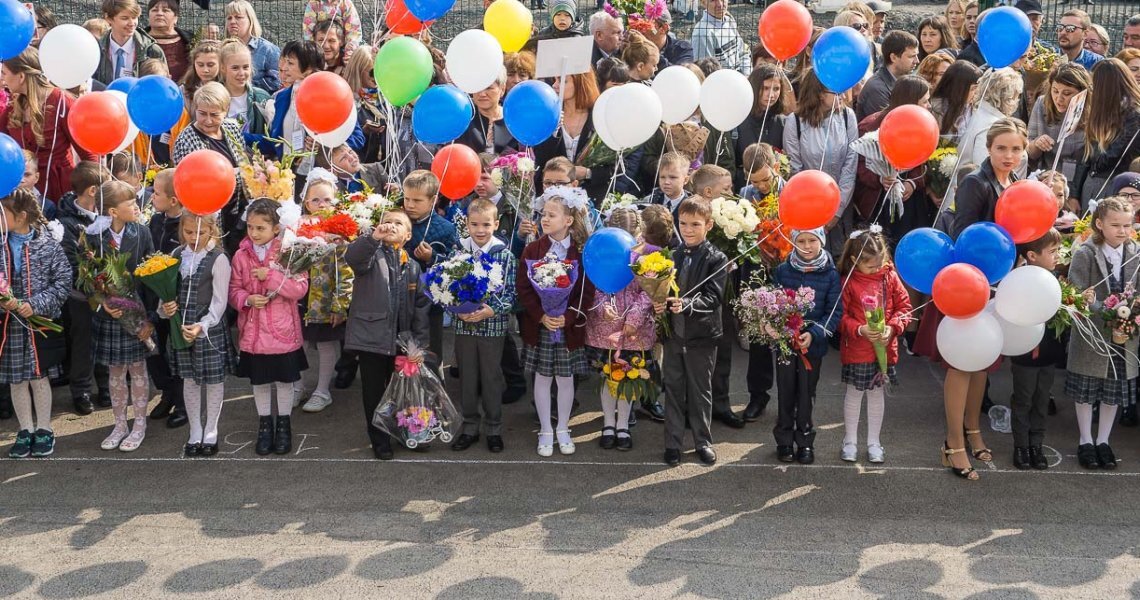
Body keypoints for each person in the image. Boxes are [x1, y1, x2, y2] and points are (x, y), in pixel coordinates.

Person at [919, 118, 1027, 481]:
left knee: (983, 361)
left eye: (1015, 149)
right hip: (970, 283)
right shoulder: (974, 183)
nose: (1009, 155)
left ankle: (973, 429)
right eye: (1002, 148)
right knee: (963, 362)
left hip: (1000, 283)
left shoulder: (1015, 185)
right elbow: (964, 233)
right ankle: (953, 443)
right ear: (989, 148)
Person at [344, 208, 429, 459]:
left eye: (398, 224)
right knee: (373, 392)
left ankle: (405, 429)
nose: (391, 226)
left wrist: (419, 344)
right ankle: (378, 438)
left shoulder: (412, 266)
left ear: (408, 235)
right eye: (387, 222)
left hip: (403, 340)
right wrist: (372, 237)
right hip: (371, 339)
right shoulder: (371, 256)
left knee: (403, 390)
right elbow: (354, 258)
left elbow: (421, 310)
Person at [517, 186, 595, 457]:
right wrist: (542, 316)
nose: (544, 220)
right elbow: (524, 288)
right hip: (541, 326)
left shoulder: (581, 252)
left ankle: (563, 426)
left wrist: (567, 317)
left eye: (552, 215)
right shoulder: (533, 250)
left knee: (565, 378)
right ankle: (545, 429)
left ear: (569, 220)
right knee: (541, 376)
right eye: (543, 215)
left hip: (567, 327)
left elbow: (586, 291)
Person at [228, 198, 309, 456]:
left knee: (284, 381)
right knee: (260, 381)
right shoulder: (241, 255)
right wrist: (246, 299)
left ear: (276, 228)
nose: (253, 233)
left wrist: (271, 276)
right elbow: (234, 289)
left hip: (281, 332)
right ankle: (265, 425)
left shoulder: (289, 251)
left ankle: (283, 425)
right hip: (253, 333)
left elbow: (299, 289)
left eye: (260, 228)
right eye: (250, 227)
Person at [1066, 197, 1137, 470]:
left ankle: (1103, 441)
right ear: (1100, 224)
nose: (1122, 231)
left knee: (1113, 390)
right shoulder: (1086, 253)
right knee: (1086, 388)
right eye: (1116, 225)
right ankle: (1085, 440)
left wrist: (1131, 312)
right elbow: (1077, 290)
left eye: (1127, 225)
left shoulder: (1135, 252)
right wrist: (1103, 311)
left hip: (1124, 333)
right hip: (1093, 332)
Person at [654, 198, 726, 466]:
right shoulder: (670, 256)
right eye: (683, 224)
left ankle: (702, 442)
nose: (688, 229)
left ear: (708, 225)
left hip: (701, 337)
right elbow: (662, 290)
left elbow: (713, 298)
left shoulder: (716, 258)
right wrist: (659, 302)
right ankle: (672, 443)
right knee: (673, 388)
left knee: (700, 391)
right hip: (674, 335)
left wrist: (685, 304)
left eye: (695, 224)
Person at [85, 180, 156, 453]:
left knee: (138, 370)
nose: (136, 207)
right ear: (113, 211)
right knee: (115, 373)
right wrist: (103, 304)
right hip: (109, 318)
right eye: (130, 203)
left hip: (137, 315)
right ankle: (119, 424)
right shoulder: (93, 237)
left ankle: (139, 423)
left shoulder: (142, 233)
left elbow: (151, 275)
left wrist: (149, 317)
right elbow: (86, 280)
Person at [159, 212, 236, 457]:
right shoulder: (175, 256)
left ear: (212, 231)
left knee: (213, 381)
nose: (193, 238)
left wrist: (202, 325)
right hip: (180, 326)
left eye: (200, 233)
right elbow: (165, 296)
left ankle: (211, 429)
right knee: (189, 379)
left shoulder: (218, 258)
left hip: (207, 330)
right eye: (188, 232)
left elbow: (220, 301)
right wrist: (165, 308)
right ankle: (195, 430)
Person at [1, 189, 71, 459]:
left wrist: (37, 305)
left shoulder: (48, 245)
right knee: (16, 380)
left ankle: (44, 428)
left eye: (2, 213)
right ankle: (25, 429)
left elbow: (63, 281)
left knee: (39, 378)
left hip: (37, 324)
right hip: (9, 325)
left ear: (20, 216)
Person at [448, 199, 517, 453]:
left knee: (491, 376)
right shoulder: (458, 252)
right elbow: (446, 287)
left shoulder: (504, 254)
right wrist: (456, 309)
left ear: (495, 224)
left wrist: (492, 309)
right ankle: (469, 426)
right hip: (464, 325)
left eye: (486, 224)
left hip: (492, 326)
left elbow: (511, 294)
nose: (480, 230)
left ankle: (494, 428)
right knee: (467, 376)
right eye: (474, 224)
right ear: (466, 223)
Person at [837, 227, 911, 464]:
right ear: (854, 261)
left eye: (880, 264)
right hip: (858, 348)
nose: (876, 269)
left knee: (877, 394)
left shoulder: (890, 276)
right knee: (854, 394)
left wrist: (893, 327)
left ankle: (874, 442)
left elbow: (904, 307)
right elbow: (840, 315)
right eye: (870, 266)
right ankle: (850, 441)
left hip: (884, 348)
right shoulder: (848, 281)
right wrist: (860, 329)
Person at [586, 208, 655, 451]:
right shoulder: (602, 251)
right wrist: (603, 306)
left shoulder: (647, 259)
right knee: (608, 376)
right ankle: (608, 423)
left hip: (634, 332)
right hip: (605, 329)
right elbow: (596, 284)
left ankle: (623, 424)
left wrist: (633, 319)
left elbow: (648, 292)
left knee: (629, 376)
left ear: (639, 236)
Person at [771, 227, 841, 465]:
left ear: (821, 240)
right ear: (793, 243)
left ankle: (805, 441)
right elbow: (773, 303)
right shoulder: (782, 270)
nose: (807, 245)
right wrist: (780, 328)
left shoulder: (831, 274)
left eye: (812, 240)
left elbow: (834, 311)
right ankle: (784, 440)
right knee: (785, 389)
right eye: (801, 240)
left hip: (813, 346)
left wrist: (814, 334)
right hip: (786, 343)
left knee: (806, 393)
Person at [1, 48, 98, 203]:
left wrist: (92, 198)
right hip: (22, 190)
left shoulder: (61, 102)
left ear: (20, 76)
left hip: (59, 189)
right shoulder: (13, 107)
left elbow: (88, 154)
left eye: (4, 73)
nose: (2, 79)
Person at [784, 69, 859, 257]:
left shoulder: (847, 116)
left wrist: (837, 210)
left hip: (842, 204)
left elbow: (850, 164)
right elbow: (795, 169)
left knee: (842, 256)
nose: (842, 95)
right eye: (835, 92)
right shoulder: (795, 122)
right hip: (809, 206)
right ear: (818, 93)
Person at [296, 170, 353, 414]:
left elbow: (346, 271)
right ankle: (297, 386)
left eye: (327, 199)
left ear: (336, 200)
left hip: (326, 300)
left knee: (327, 344)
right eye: (315, 200)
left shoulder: (339, 231)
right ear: (306, 202)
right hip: (299, 299)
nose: (321, 204)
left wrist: (341, 304)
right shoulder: (297, 227)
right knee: (299, 343)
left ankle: (322, 390)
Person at [172, 82, 250, 256]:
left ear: (226, 111)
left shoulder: (231, 129)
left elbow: (244, 164)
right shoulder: (187, 138)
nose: (208, 120)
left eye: (214, 115)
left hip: (237, 210)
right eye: (202, 114)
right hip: (209, 218)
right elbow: (192, 184)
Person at [1009, 228, 1062, 470]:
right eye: (1052, 252)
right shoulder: (1019, 279)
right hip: (1025, 354)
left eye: (1058, 250)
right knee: (1023, 400)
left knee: (1042, 400)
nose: (1057, 256)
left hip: (1048, 352)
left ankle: (1036, 445)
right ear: (1032, 255)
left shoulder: (1058, 278)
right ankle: (1020, 446)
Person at [402, 170, 459, 363]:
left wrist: (432, 257)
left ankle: (433, 387)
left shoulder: (445, 228)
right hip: (400, 298)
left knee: (430, 349)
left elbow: (455, 264)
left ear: (433, 200)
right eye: (407, 198)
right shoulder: (398, 220)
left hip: (430, 301)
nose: (409, 205)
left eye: (417, 201)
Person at [1073, 59, 1140, 209]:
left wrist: (1094, 165)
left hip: (1115, 185)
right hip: (1092, 183)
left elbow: (1115, 155)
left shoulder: (1134, 115)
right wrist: (1074, 193)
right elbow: (1085, 154)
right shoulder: (1101, 112)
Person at [1027, 63, 1089, 195]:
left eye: (1067, 93)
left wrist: (1074, 195)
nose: (1059, 98)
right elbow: (1029, 152)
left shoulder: (1092, 113)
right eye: (1055, 91)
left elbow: (1090, 161)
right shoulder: (1042, 104)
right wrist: (1037, 143)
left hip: (1078, 185)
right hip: (1047, 182)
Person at [957, 68, 1026, 179]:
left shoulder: (979, 113)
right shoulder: (991, 125)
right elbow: (984, 169)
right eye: (1017, 95)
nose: (1017, 100)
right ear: (1010, 96)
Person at [94, 0, 167, 84]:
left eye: (134, 17)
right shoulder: (97, 50)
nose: (132, 23)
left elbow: (162, 85)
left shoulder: (151, 51)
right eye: (125, 18)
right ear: (109, 19)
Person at [857, 30, 919, 121]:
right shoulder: (877, 89)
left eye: (917, 55)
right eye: (911, 56)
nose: (917, 61)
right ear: (893, 57)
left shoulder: (903, 81)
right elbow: (888, 124)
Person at [455, 69, 518, 156]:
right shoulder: (463, 117)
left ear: (502, 89)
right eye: (477, 87)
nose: (482, 94)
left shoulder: (514, 121)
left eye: (489, 88)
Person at [219, 39, 271, 142]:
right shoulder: (214, 97)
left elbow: (272, 138)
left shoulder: (261, 97)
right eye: (235, 68)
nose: (241, 73)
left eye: (245, 67)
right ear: (223, 68)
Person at [736, 64, 789, 162]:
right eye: (766, 88)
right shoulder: (738, 119)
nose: (771, 95)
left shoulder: (782, 122)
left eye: (776, 89)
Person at [225, 1, 281, 92]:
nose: (232, 21)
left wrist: (243, 87)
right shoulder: (223, 50)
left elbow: (276, 82)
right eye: (229, 18)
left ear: (250, 20)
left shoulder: (268, 50)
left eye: (238, 17)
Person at [691, 0, 748, 74]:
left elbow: (743, 53)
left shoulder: (729, 21)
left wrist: (747, 75)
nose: (720, 4)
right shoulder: (702, 33)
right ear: (703, 3)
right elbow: (705, 72)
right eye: (713, 0)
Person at [931, 60, 981, 138]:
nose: (977, 93)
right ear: (958, 89)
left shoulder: (976, 109)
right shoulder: (935, 110)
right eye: (973, 89)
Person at [145, 0, 192, 82]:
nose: (159, 13)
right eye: (154, 10)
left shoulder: (190, 41)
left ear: (176, 17)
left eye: (165, 10)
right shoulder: (139, 40)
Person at [180, 40, 222, 107]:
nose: (205, 70)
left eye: (210, 65)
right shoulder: (184, 90)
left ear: (221, 65)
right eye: (200, 65)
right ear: (194, 64)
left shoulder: (228, 87)